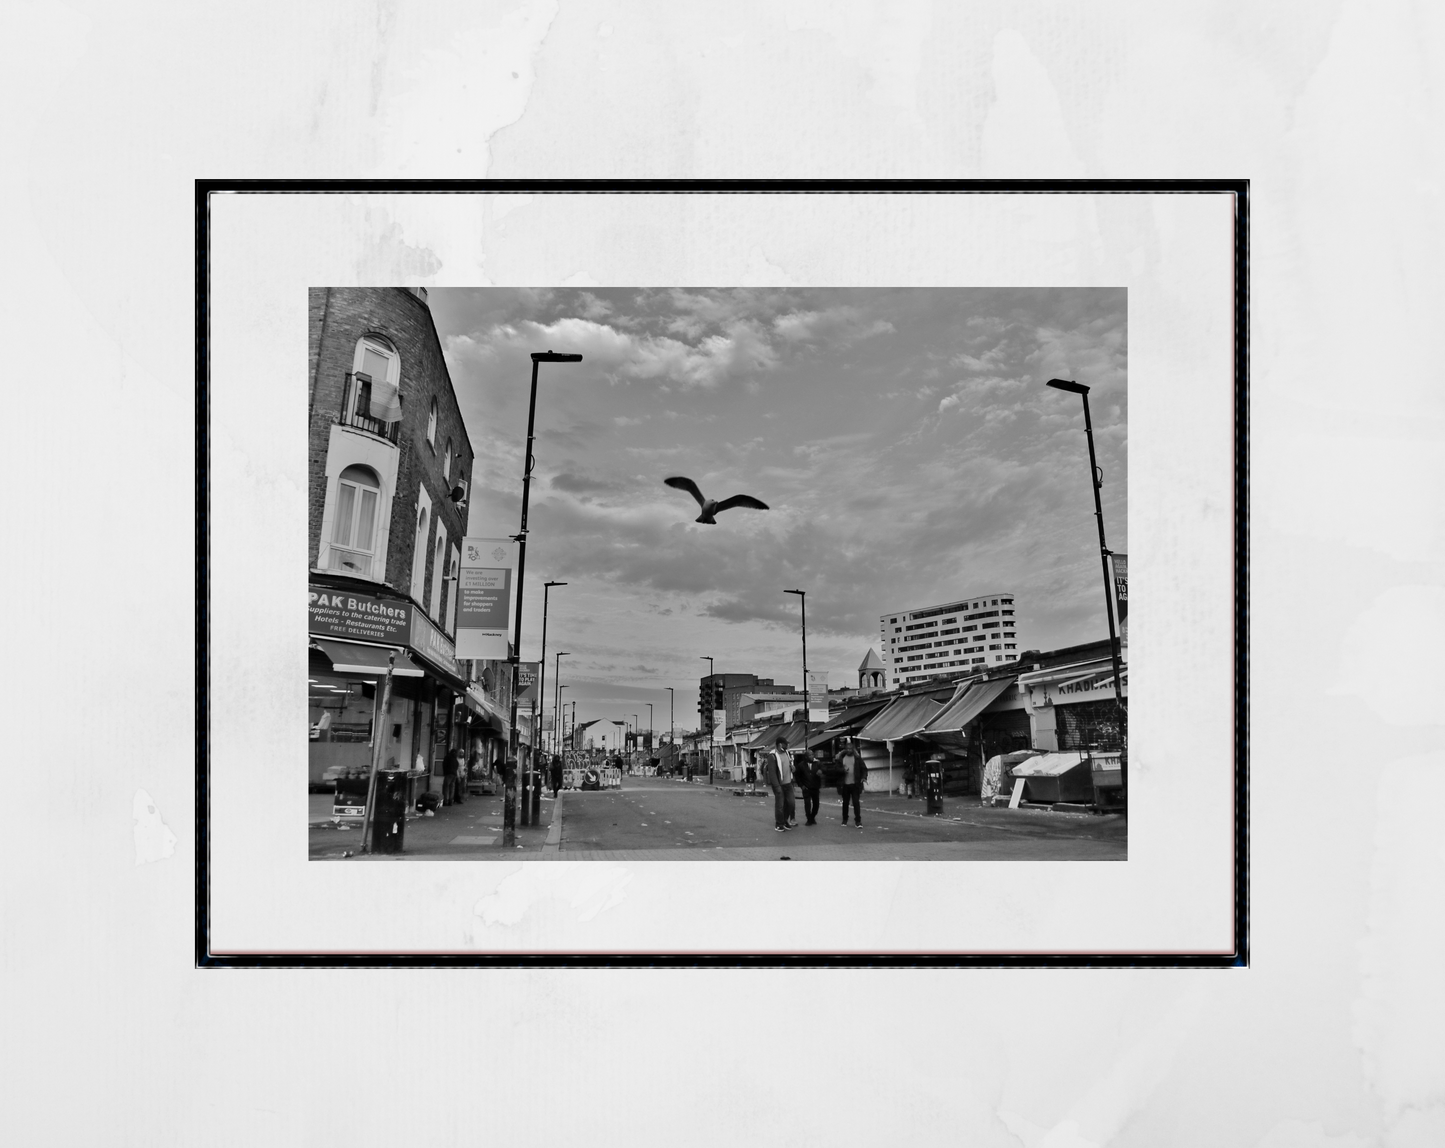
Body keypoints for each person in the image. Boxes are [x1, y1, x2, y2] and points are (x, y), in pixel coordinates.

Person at [837, 737, 866, 826]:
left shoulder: (857, 758)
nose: (849, 750)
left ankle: (858, 821)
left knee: (856, 803)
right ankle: (844, 819)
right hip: (844, 784)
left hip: (855, 784)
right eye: (847, 749)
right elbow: (836, 769)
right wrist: (843, 770)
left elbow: (864, 769)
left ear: (853, 749)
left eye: (850, 749)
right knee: (845, 803)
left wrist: (864, 777)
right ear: (845, 749)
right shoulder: (841, 758)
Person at [795, 749, 822, 825]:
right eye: (810, 755)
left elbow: (824, 768)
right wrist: (801, 785)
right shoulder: (801, 765)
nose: (812, 756)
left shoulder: (817, 763)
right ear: (806, 757)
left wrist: (821, 770)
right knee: (807, 804)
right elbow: (797, 776)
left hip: (815, 787)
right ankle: (809, 819)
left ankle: (812, 817)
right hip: (806, 788)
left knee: (816, 804)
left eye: (812, 754)